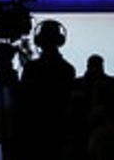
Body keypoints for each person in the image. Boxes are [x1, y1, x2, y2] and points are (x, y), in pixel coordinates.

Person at [16, 20, 77, 158]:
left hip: (33, 130)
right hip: (58, 130)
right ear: (60, 40)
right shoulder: (67, 69)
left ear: (38, 41)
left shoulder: (31, 68)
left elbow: (22, 99)